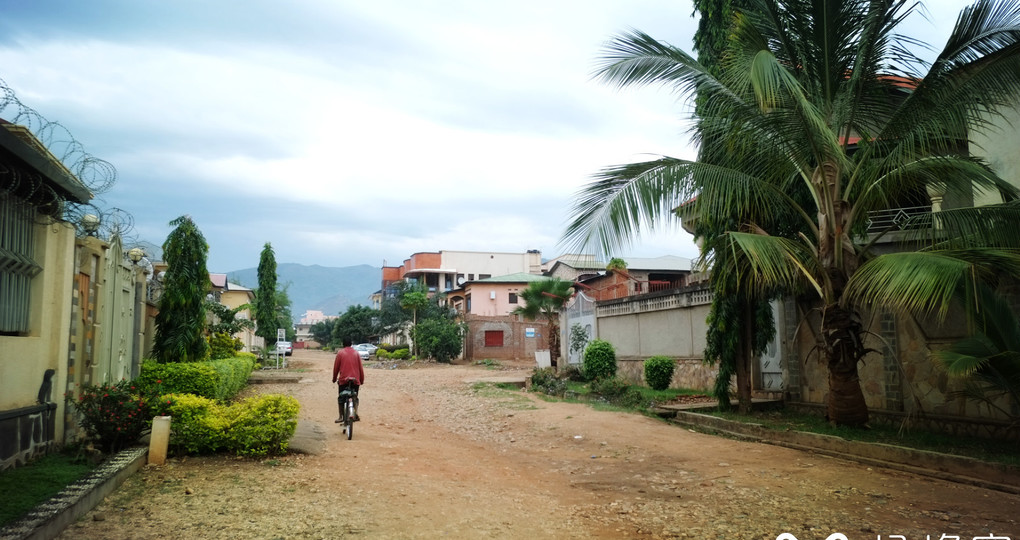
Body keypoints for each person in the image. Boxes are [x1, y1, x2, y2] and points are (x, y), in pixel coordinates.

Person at [332, 337, 365, 423]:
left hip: (344, 381)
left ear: (343, 344)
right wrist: (361, 380)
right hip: (355, 380)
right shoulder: (356, 353)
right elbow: (360, 369)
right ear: (351, 344)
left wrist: (334, 379)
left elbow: (336, 368)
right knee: (355, 397)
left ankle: (341, 417)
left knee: (341, 399)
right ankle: (355, 413)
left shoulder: (340, 353)